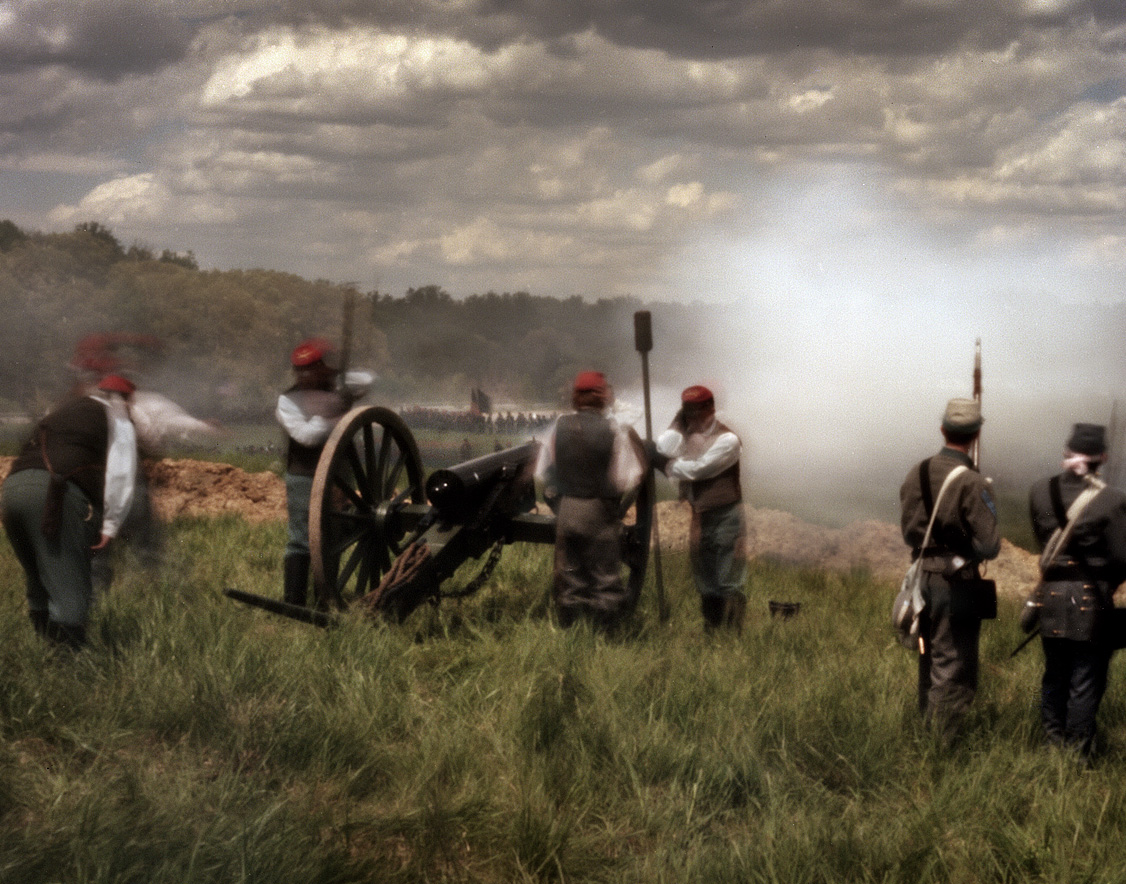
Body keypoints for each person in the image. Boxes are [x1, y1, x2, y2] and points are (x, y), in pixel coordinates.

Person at [1, 374, 138, 648]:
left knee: (38, 578)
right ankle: (69, 662)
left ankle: (41, 653)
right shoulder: (117, 416)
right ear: (125, 399)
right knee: (69, 588)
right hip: (56, 494)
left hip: (12, 491)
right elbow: (121, 475)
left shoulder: (61, 410)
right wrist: (111, 525)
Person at [899, 398, 1001, 744]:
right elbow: (989, 546)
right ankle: (941, 749)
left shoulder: (916, 472)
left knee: (927, 656)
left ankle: (924, 733)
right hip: (955, 582)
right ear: (976, 434)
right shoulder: (973, 482)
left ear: (943, 429)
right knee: (953, 662)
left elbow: (908, 531)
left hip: (920, 576)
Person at [1026, 423, 1126, 758]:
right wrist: (1106, 584)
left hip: (1051, 596)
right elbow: (1122, 559)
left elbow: (1044, 546)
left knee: (1054, 675)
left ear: (1067, 452)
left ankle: (1052, 747)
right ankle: (1077, 756)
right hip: (1092, 599)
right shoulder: (1113, 500)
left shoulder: (1040, 491)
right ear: (1103, 458)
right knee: (1085, 680)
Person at [535, 371, 644, 630]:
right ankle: (606, 635)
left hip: (567, 509)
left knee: (570, 576)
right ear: (601, 397)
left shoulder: (559, 425)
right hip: (598, 511)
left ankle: (571, 630)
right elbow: (627, 477)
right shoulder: (613, 429)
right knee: (604, 577)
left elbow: (543, 470)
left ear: (576, 397)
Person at [651, 385, 748, 631]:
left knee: (728, 578)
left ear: (710, 408)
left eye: (696, 411)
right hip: (698, 514)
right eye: (687, 411)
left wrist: (667, 466)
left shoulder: (728, 440)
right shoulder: (687, 432)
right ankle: (712, 632)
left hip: (726, 514)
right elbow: (664, 448)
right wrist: (678, 423)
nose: (692, 417)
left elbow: (699, 470)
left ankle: (732, 635)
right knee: (705, 579)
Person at [275, 338, 356, 607]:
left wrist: (344, 387)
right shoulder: (288, 400)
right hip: (304, 476)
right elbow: (305, 436)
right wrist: (331, 416)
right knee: (301, 539)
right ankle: (294, 602)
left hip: (338, 477)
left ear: (323, 368)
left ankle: (326, 600)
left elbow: (365, 380)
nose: (304, 376)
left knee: (332, 537)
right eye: (300, 371)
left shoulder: (338, 391)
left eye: (311, 370)